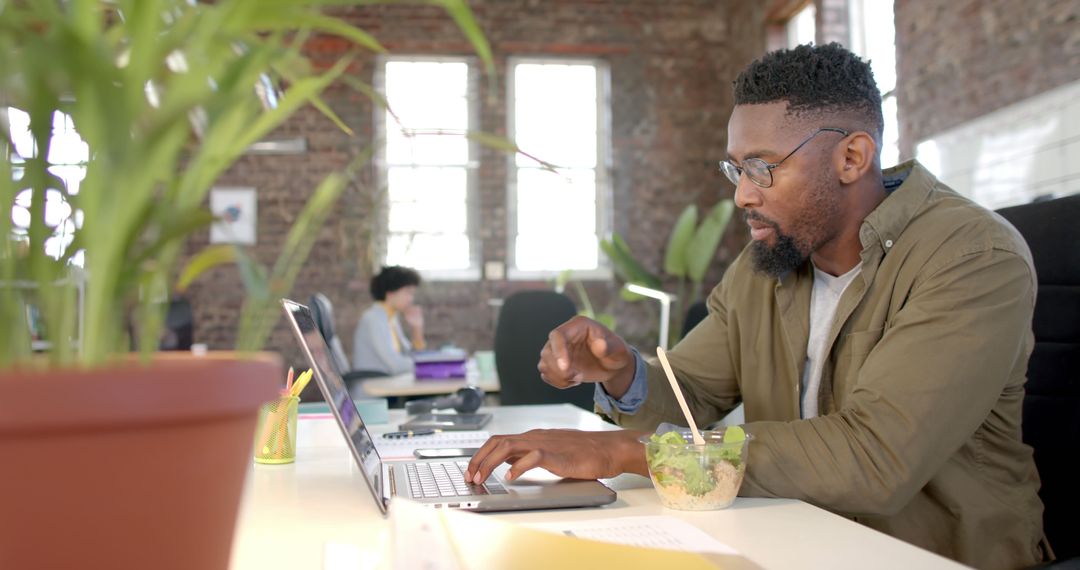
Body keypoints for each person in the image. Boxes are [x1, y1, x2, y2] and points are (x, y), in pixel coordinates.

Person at [465, 43, 1049, 569]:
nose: (743, 193)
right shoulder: (766, 265)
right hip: (790, 541)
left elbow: (877, 456)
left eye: (763, 168)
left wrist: (628, 450)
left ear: (852, 157)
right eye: (736, 168)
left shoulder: (971, 256)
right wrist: (623, 375)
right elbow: (691, 395)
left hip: (931, 557)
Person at [352, 265, 426, 375]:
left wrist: (417, 329)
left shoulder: (391, 317)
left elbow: (409, 355)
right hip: (373, 388)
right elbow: (396, 365)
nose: (411, 299)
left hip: (389, 384)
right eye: (408, 292)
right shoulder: (374, 319)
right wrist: (428, 364)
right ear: (390, 293)